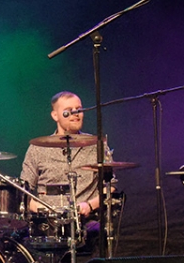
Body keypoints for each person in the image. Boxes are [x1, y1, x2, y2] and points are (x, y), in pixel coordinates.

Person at [20, 91, 114, 250]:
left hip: (86, 224)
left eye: (79, 109)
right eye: (68, 111)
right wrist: (46, 212)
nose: (76, 114)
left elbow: (110, 187)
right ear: (55, 115)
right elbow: (23, 192)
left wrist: (89, 205)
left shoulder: (96, 145)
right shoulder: (38, 148)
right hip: (47, 226)